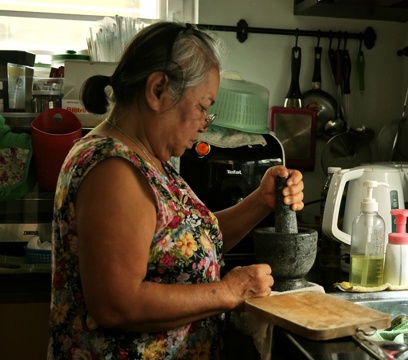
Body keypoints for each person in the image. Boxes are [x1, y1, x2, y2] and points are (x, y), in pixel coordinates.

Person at [48, 21, 305, 359]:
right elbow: (116, 304)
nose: (204, 122)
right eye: (202, 106)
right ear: (158, 91)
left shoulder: (145, 158)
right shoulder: (114, 170)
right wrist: (228, 292)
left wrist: (260, 201)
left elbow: (187, 247)